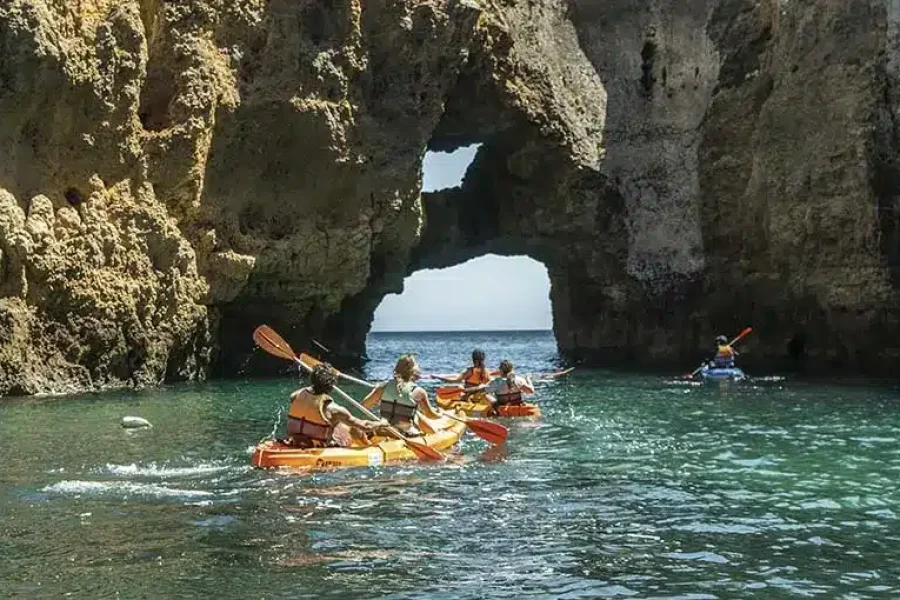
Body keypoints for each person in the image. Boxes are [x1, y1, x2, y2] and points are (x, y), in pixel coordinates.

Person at [286, 363, 388, 448]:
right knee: (350, 426)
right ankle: (367, 446)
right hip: (317, 447)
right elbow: (366, 426)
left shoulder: (295, 395)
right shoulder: (334, 409)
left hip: (295, 442)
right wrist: (381, 423)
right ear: (331, 386)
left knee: (337, 424)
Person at [362, 354, 444, 436]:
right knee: (417, 414)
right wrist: (441, 414)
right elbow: (430, 415)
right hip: (404, 434)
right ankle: (436, 434)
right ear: (413, 372)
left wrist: (376, 390)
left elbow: (363, 406)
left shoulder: (383, 387)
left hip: (383, 431)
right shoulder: (419, 391)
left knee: (417, 414)